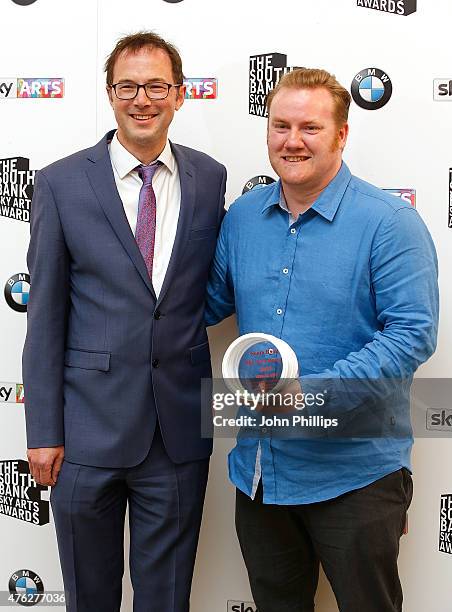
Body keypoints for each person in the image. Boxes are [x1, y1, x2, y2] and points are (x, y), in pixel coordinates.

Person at [206, 68, 438, 612]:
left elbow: (411, 336)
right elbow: (202, 305)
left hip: (355, 475)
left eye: (310, 127)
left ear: (342, 134)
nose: (292, 140)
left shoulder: (390, 223)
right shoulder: (242, 219)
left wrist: (309, 395)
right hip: (261, 473)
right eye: (280, 125)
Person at [23, 31, 226, 612]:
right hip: (84, 433)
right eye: (128, 86)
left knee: (167, 599)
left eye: (157, 86)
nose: (143, 99)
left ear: (180, 95)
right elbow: (46, 319)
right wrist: (44, 432)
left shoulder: (209, 179)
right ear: (110, 94)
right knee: (90, 596)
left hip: (178, 432)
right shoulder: (62, 183)